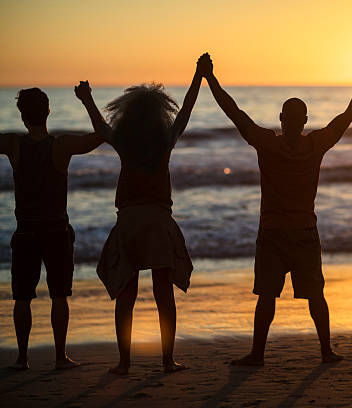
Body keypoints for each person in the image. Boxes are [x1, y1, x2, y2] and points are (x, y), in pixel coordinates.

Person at [201, 53, 352, 366]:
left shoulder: (267, 143)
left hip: (272, 233)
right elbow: (347, 115)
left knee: (267, 296)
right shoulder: (315, 145)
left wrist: (209, 78)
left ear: (282, 119)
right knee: (315, 294)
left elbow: (234, 112)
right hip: (304, 232)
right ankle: (325, 351)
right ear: (305, 121)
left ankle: (258, 354)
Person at [76, 53, 208, 374]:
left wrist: (88, 99)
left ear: (130, 115)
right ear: (159, 114)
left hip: (129, 222)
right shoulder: (165, 140)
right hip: (159, 221)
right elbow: (187, 110)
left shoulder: (123, 140)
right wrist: (198, 76)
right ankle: (166, 360)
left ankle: (124, 362)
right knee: (164, 293)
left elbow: (99, 126)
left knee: (127, 293)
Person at [1, 87, 104, 370]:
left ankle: (22, 358)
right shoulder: (62, 145)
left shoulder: (13, 144)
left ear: (22, 116)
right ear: (48, 111)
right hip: (56, 231)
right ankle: (60, 357)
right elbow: (102, 135)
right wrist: (87, 100)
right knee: (59, 295)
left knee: (22, 298)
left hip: (25, 232)